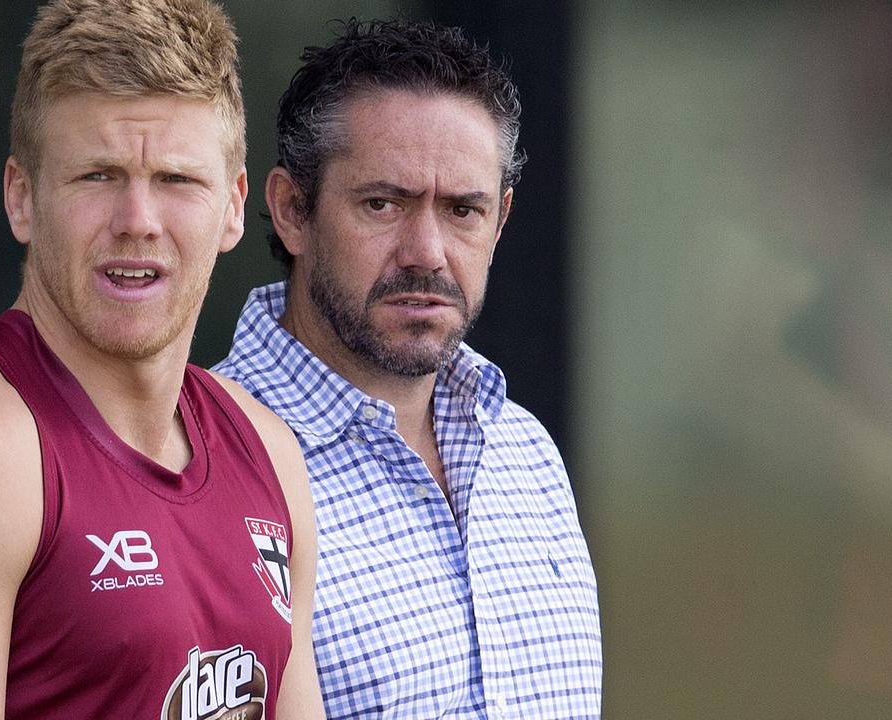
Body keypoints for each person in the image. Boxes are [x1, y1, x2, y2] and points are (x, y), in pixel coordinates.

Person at [0, 1, 325, 718]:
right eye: (97, 176)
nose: (138, 221)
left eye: (177, 180)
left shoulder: (267, 450)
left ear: (235, 207)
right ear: (21, 199)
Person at [214, 18, 602, 719]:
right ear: (292, 211)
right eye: (382, 203)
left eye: (462, 210)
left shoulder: (525, 452)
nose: (426, 251)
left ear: (501, 222)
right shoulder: (208, 463)